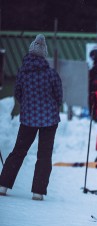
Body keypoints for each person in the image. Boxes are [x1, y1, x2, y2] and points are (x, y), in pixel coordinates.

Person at [0, 34, 63, 200]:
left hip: (28, 118)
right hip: (49, 119)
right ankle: (38, 191)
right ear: (44, 54)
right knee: (44, 154)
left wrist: (29, 106)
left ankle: (3, 185)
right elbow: (59, 96)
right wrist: (52, 106)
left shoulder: (22, 72)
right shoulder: (51, 73)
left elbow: (17, 94)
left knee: (18, 151)